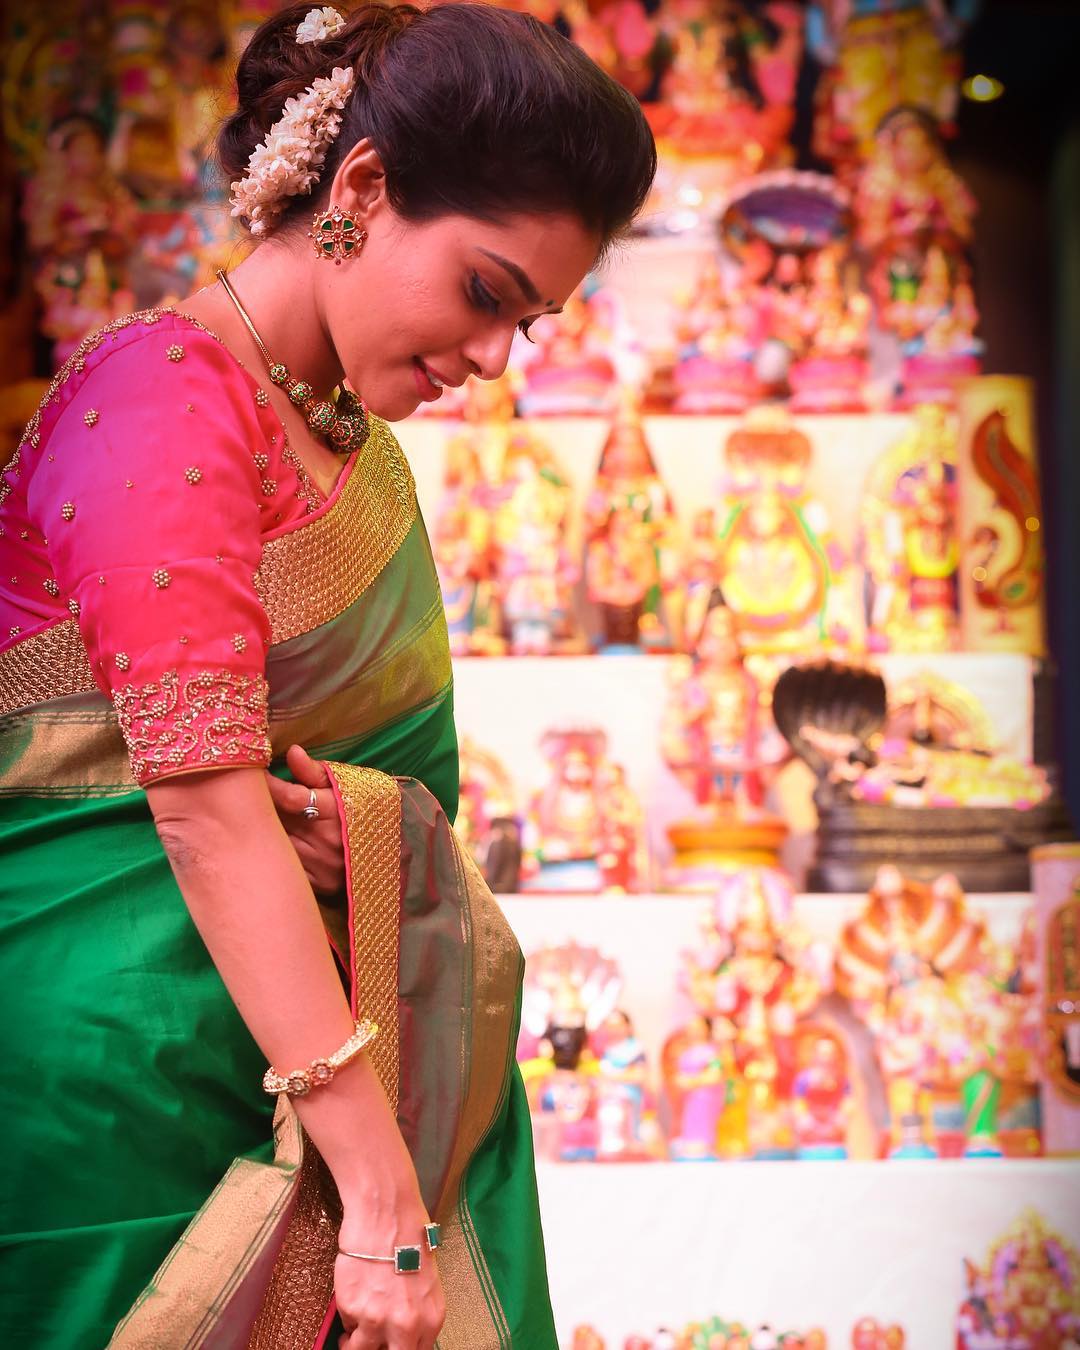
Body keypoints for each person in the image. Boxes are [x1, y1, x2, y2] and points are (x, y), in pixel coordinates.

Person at [0, 4, 656, 1346]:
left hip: (282, 1063)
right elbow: (199, 802)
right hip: (125, 1098)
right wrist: (377, 1190)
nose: (491, 359)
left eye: (525, 326)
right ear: (360, 189)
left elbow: (351, 794)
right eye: (486, 292)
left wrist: (366, 824)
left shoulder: (354, 451)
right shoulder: (163, 398)